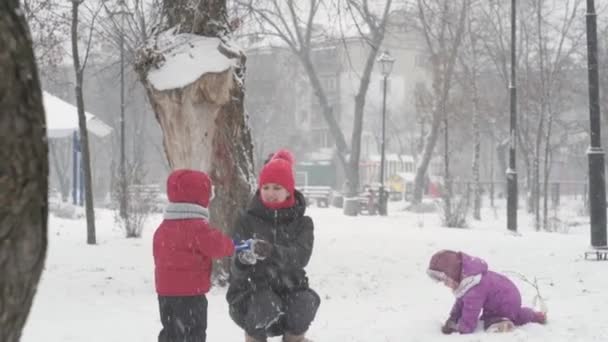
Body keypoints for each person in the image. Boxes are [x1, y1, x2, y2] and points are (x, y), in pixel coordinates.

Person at [227, 149, 320, 342]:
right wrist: (243, 260)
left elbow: (300, 257)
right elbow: (235, 264)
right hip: (250, 294)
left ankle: (294, 339)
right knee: (266, 304)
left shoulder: (303, 223)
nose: (270, 193)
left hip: (290, 291)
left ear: (288, 191)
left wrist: (271, 251)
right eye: (266, 187)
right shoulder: (246, 220)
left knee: (305, 302)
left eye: (277, 188)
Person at [153, 169, 235, 342]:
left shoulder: (162, 229)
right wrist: (232, 246)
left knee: (171, 331)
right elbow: (218, 246)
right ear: (201, 199)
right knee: (193, 333)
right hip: (191, 294)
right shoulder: (198, 229)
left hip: (165, 294)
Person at [427, 250, 547, 334]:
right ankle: (534, 315)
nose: (444, 284)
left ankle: (502, 321)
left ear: (454, 273)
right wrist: (453, 317)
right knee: (514, 312)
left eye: (445, 280)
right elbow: (461, 301)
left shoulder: (475, 286)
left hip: (505, 300)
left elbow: (471, 311)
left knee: (495, 319)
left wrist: (462, 327)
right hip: (503, 297)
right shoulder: (468, 282)